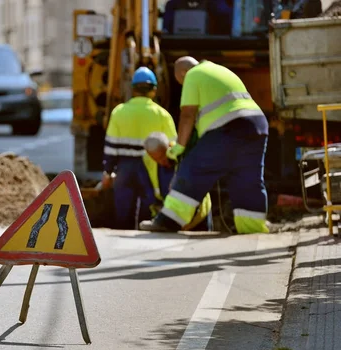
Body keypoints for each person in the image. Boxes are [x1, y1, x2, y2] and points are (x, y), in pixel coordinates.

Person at [140, 56, 269, 234]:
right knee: (247, 180)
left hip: (227, 127)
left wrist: (179, 148)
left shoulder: (193, 74)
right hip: (257, 125)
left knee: (193, 168)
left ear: (183, 72)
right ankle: (252, 229)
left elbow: (187, 114)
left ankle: (168, 220)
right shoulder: (221, 70)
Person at [102, 67, 178, 230]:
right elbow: (173, 148)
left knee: (123, 208)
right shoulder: (162, 115)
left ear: (133, 89)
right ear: (154, 90)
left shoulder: (119, 112)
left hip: (124, 168)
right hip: (152, 169)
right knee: (149, 205)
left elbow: (110, 147)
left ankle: (121, 236)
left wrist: (108, 172)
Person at [143, 132, 213, 231]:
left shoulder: (184, 154)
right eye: (156, 159)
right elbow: (148, 191)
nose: (162, 161)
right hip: (171, 218)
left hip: (198, 216)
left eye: (163, 156)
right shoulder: (147, 161)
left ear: (168, 147)